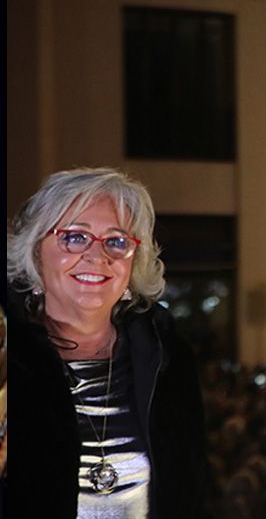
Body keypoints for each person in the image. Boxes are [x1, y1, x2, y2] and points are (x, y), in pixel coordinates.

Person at [6, 167, 206, 518]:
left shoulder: (167, 359)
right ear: (36, 252)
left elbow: (193, 495)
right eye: (74, 237)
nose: (98, 257)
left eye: (117, 241)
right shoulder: (10, 359)